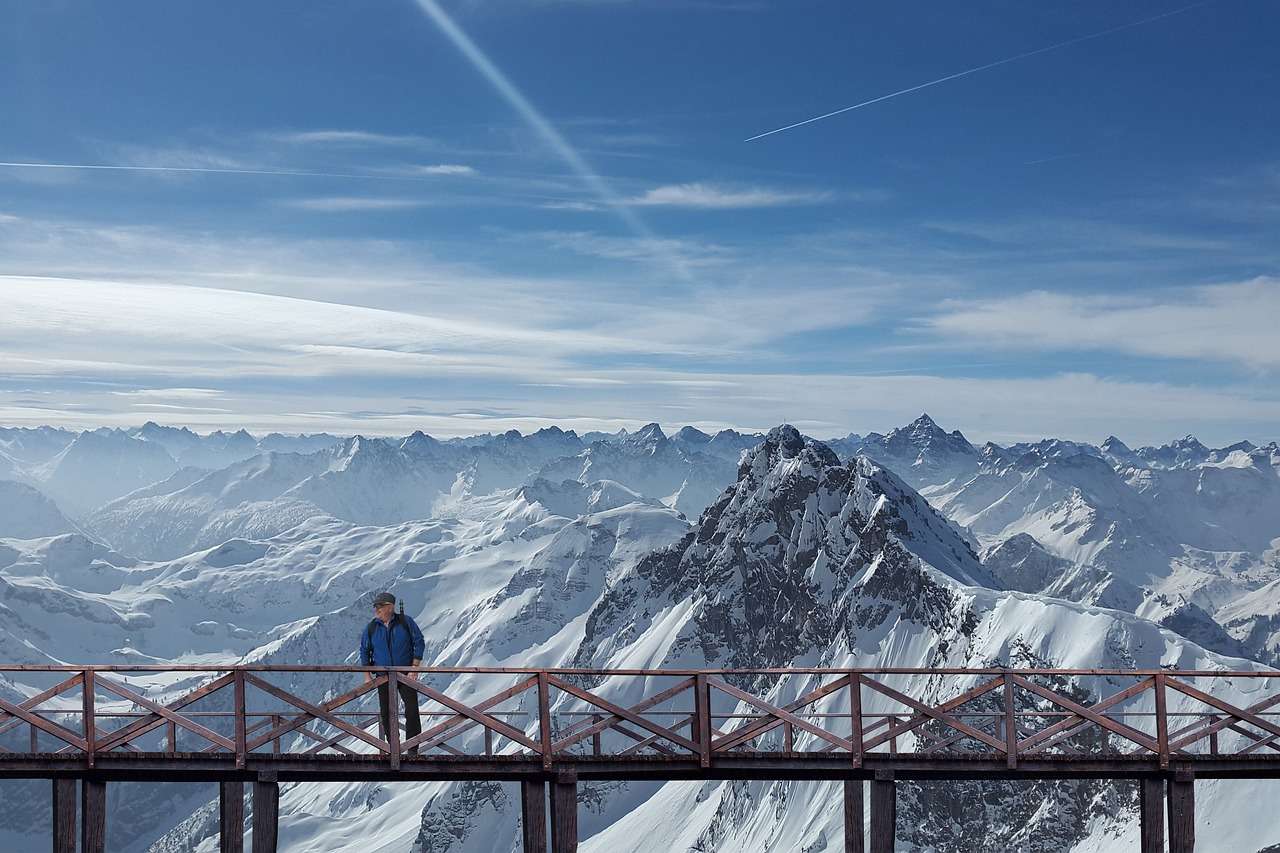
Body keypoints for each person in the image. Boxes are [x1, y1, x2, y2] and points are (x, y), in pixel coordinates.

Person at [359, 591, 425, 754]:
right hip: (383, 676)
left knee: (411, 710)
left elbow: (419, 641)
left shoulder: (405, 622)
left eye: (380, 607)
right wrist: (367, 675)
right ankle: (392, 747)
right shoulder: (372, 627)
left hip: (405, 673)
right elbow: (364, 651)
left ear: (390, 607)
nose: (377, 610)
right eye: (376, 607)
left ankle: (412, 747)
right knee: (386, 712)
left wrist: (414, 667)